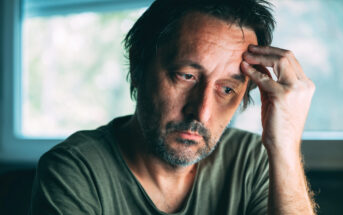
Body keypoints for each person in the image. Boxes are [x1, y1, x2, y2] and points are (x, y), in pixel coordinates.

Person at [29, 0, 317, 214]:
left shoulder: (252, 160)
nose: (201, 112)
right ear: (139, 66)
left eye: (227, 89)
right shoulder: (75, 171)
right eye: (187, 76)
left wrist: (285, 147)